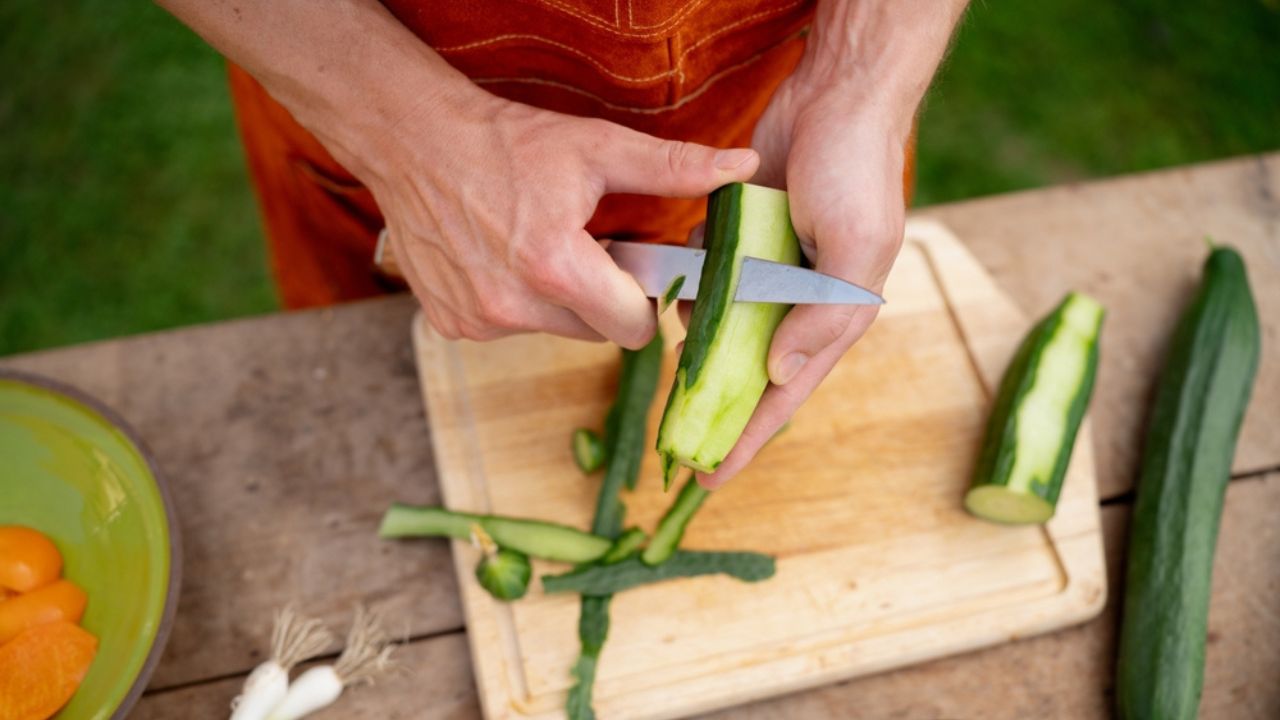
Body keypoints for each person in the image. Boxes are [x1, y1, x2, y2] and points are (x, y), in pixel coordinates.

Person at [158, 0, 968, 487]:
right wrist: (403, 132)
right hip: (370, 88)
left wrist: (862, 70)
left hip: (771, 103)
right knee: (369, 418)